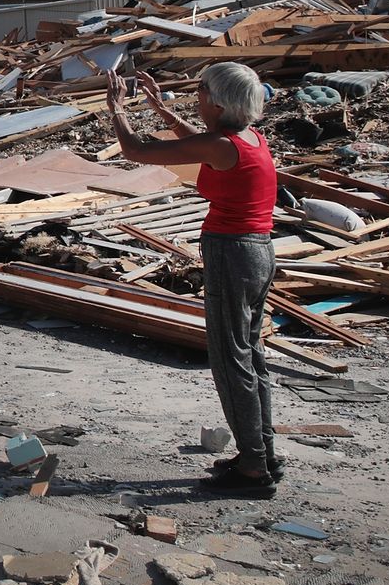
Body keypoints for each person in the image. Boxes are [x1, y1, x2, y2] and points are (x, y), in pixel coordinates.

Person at [105, 62, 280, 497]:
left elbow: (136, 152)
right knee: (250, 354)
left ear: (217, 101)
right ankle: (262, 453)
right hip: (258, 252)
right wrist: (160, 108)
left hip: (232, 253)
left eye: (200, 90)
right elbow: (199, 144)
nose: (196, 96)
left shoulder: (224, 144)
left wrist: (117, 110)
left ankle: (254, 470)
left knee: (230, 358)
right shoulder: (247, 138)